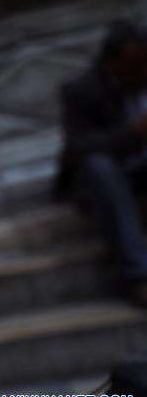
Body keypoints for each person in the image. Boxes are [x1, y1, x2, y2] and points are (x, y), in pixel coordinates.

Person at [57, 19, 147, 306]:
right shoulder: (82, 90)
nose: (142, 74)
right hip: (114, 171)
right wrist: (132, 134)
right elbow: (77, 147)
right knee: (99, 168)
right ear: (112, 62)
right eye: (134, 68)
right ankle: (138, 274)